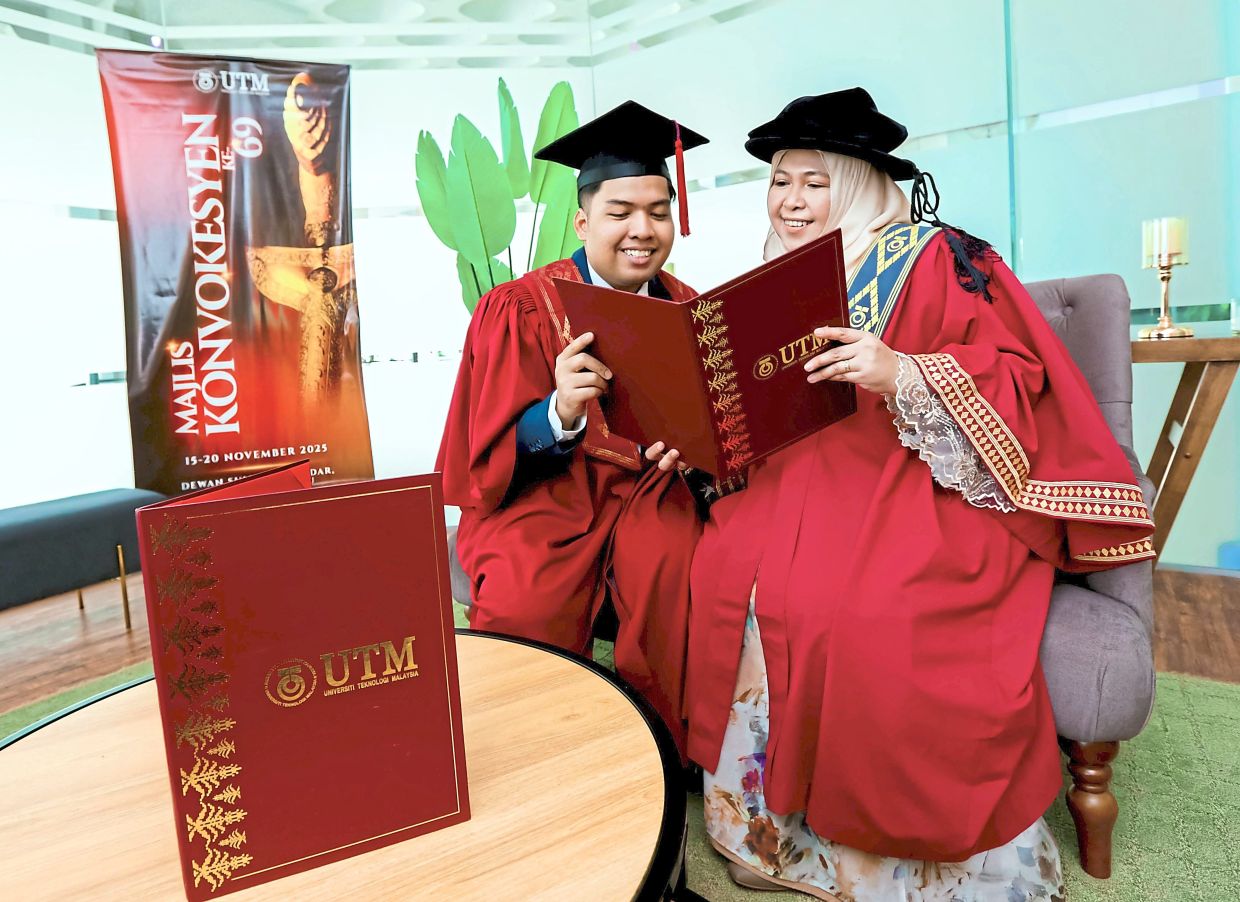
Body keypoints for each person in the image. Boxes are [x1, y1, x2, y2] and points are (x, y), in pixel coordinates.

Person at [683, 88, 1155, 900]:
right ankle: (775, 838)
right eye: (780, 182)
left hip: (917, 490)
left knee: (864, 612)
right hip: (801, 483)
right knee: (734, 573)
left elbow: (1016, 377)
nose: (792, 201)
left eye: (814, 181)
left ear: (862, 181)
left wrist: (901, 371)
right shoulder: (774, 278)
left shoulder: (939, 258)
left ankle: (900, 864)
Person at [437, 101, 709, 752]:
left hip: (650, 492)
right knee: (528, 601)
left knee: (681, 576)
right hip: (546, 494)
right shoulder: (522, 308)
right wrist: (558, 411)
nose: (642, 230)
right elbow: (489, 446)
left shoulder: (689, 308)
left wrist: (695, 451)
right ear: (584, 221)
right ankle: (528, 748)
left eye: (657, 211)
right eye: (620, 213)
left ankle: (662, 750)